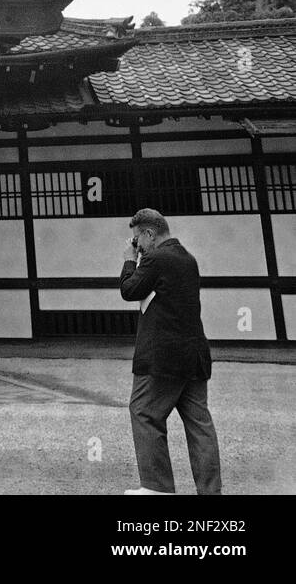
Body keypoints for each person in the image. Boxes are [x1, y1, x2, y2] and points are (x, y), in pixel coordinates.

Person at [120, 208, 221, 495]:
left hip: (162, 359)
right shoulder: (188, 259)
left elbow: (130, 290)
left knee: (144, 413)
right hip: (195, 356)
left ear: (149, 233)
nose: (137, 245)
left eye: (138, 239)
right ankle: (211, 492)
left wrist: (130, 260)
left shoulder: (156, 258)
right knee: (199, 426)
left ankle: (157, 488)